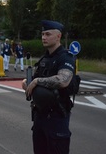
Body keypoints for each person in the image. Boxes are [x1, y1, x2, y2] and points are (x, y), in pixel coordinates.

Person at [22, 20, 75, 154]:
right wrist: (27, 84)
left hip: (56, 117)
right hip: (40, 116)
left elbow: (63, 80)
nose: (43, 37)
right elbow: (35, 81)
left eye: (48, 34)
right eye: (42, 34)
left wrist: (37, 81)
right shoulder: (44, 59)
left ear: (58, 36)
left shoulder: (65, 57)